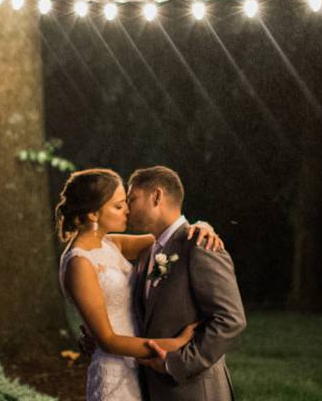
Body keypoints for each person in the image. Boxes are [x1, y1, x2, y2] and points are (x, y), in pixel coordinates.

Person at [56, 168, 225, 401]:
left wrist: (203, 227)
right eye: (118, 206)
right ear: (94, 214)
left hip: (140, 369)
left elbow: (171, 239)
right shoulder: (79, 263)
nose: (128, 209)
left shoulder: (110, 244)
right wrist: (173, 345)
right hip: (114, 371)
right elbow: (107, 340)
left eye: (126, 202)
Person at [126, 165, 246, 400]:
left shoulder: (200, 245)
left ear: (157, 196)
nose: (127, 209)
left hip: (194, 390)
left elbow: (231, 320)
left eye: (132, 199)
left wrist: (176, 363)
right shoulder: (147, 252)